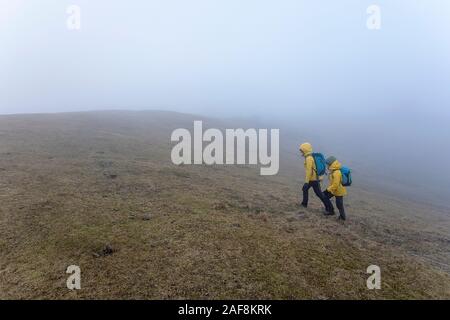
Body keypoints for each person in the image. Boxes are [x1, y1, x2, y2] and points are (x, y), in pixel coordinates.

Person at [299, 142, 332, 213]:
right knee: (305, 190)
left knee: (319, 194)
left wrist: (306, 182)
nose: (301, 152)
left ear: (305, 150)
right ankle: (304, 204)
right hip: (313, 179)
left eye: (302, 150)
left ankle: (330, 209)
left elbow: (309, 171)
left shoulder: (309, 158)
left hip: (313, 180)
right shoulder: (309, 157)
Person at [323, 156, 347, 220]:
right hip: (334, 190)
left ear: (331, 164)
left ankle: (342, 217)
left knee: (339, 204)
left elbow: (335, 184)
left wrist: (327, 190)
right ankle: (330, 211)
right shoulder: (333, 170)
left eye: (328, 164)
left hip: (339, 191)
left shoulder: (336, 172)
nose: (327, 165)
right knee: (325, 197)